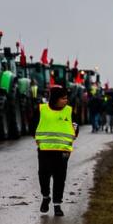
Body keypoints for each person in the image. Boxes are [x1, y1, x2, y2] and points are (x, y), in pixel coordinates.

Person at [33, 86, 77, 217]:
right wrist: (38, 139)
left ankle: (57, 205)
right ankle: (46, 197)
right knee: (44, 176)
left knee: (59, 178)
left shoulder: (69, 111)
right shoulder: (42, 109)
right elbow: (33, 125)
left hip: (62, 152)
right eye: (63, 98)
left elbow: (75, 126)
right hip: (45, 151)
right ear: (55, 99)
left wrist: (74, 133)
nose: (66, 100)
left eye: (66, 98)